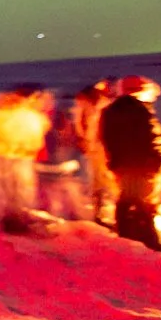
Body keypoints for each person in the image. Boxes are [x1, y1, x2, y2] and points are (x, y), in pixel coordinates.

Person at [99, 75, 161, 253]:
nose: (154, 96)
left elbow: (107, 139)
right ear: (141, 91)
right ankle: (146, 241)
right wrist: (159, 159)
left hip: (123, 163)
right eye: (151, 92)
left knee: (129, 200)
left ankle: (129, 238)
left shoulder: (112, 110)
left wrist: (114, 162)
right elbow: (150, 139)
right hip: (140, 164)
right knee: (140, 203)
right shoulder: (139, 110)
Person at [0, 87, 52, 232]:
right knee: (19, 189)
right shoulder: (23, 116)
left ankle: (14, 218)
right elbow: (36, 135)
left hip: (12, 156)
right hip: (18, 157)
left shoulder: (9, 115)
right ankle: (16, 219)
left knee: (15, 189)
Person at [70, 79, 118, 225]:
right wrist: (84, 141)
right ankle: (103, 214)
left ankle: (105, 214)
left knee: (104, 182)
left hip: (101, 146)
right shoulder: (92, 104)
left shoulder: (99, 103)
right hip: (98, 147)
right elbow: (81, 124)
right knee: (103, 182)